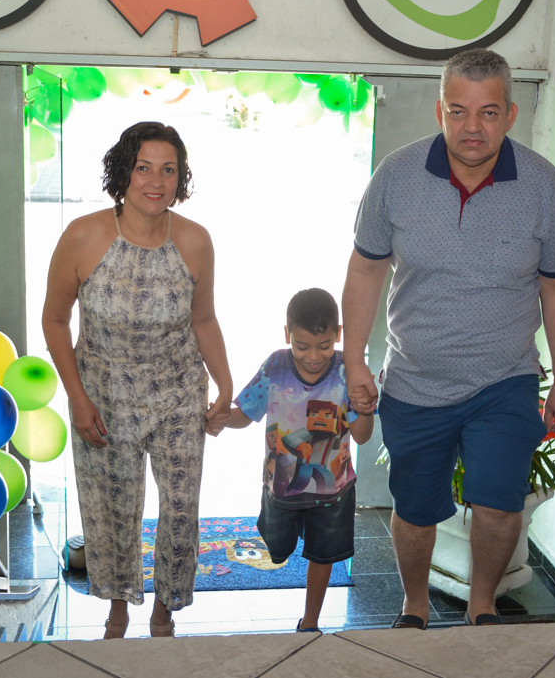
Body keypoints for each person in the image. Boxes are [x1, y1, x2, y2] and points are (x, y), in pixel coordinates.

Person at [342, 48, 555, 629]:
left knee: (499, 505)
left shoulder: (544, 187)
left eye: (489, 112)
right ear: (440, 111)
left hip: (505, 380)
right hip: (415, 381)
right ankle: (415, 604)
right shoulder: (396, 177)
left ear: (511, 114)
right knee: (416, 509)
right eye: (459, 111)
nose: (473, 127)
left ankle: (482, 606)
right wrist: (353, 361)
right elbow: (366, 270)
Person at [42, 121, 233, 639]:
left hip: (178, 391)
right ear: (123, 171)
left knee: (181, 509)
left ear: (180, 178)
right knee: (114, 509)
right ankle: (118, 609)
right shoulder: (83, 236)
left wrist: (225, 385)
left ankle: (165, 610)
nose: (156, 180)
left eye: (168, 170)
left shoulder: (195, 241)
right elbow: (54, 321)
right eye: (144, 167)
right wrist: (77, 399)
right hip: (104, 394)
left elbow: (204, 319)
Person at [223, 288, 375, 632]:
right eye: (302, 346)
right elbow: (244, 414)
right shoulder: (276, 365)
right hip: (282, 488)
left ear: (338, 335)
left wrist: (365, 410)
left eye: (324, 345)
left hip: (333, 491)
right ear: (286, 335)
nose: (313, 356)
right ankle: (284, 539)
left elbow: (363, 436)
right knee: (277, 547)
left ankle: (310, 621)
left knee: (323, 554)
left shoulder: (348, 371)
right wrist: (218, 417)